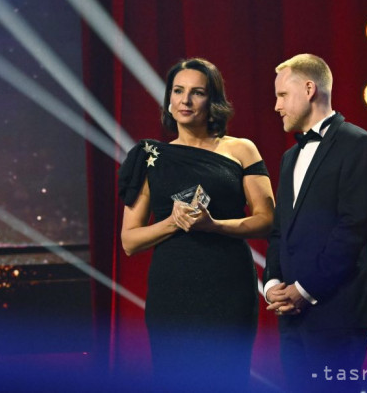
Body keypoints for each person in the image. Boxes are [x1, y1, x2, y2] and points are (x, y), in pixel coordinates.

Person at [118, 58, 275, 390]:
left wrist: (214, 225)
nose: (185, 101)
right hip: (172, 292)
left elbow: (267, 220)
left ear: (213, 100)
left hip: (228, 286)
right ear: (168, 99)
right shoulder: (149, 157)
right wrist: (174, 222)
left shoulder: (241, 149)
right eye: (178, 91)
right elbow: (129, 241)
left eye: (197, 92)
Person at [263, 54, 367, 392]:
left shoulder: (358, 144)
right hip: (291, 319)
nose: (276, 106)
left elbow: (354, 229)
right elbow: (279, 231)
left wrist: (303, 290)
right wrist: (272, 283)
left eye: (282, 95)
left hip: (337, 315)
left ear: (309, 89)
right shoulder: (289, 157)